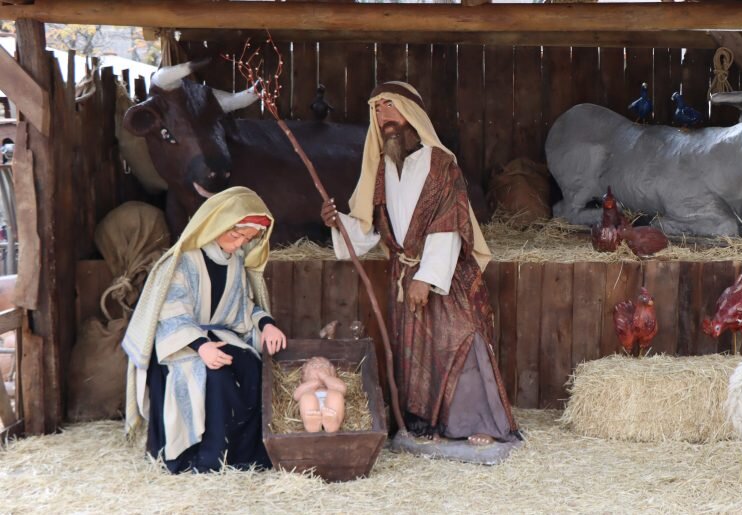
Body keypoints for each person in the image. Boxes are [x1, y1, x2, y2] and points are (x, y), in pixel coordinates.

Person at [322, 81, 518, 446]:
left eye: (390, 107)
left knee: (460, 340)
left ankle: (476, 423)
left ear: (412, 114)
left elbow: (448, 223)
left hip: (447, 279)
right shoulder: (383, 169)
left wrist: (426, 279)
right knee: (417, 355)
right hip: (405, 275)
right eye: (377, 111)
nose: (384, 118)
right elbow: (374, 232)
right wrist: (340, 224)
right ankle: (430, 426)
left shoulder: (442, 165)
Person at [122, 186, 287, 473]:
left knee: (250, 367)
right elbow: (171, 314)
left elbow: (243, 310)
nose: (238, 245)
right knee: (216, 376)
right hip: (180, 343)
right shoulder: (183, 261)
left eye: (246, 239)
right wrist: (202, 347)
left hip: (218, 336)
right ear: (216, 225)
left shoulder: (234, 263)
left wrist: (267, 325)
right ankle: (205, 460)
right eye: (235, 235)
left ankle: (244, 457)